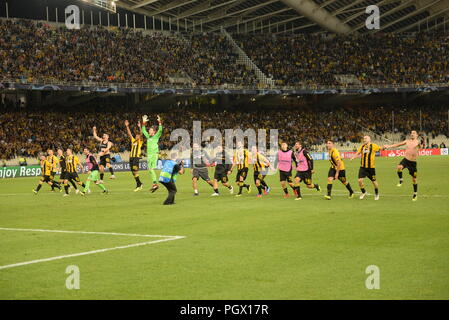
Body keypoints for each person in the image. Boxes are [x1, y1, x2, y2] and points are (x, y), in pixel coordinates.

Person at [383, 130, 420, 201]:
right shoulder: (407, 141)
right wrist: (388, 146)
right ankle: (401, 180)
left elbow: (421, 146)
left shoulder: (417, 142)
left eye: (414, 133)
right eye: (411, 133)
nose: (412, 134)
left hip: (413, 163)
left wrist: (420, 145)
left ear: (417, 135)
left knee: (414, 179)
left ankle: (415, 194)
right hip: (406, 160)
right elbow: (397, 145)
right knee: (399, 167)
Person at [350, 136, 383, 200]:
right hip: (363, 167)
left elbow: (380, 148)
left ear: (369, 139)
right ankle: (363, 192)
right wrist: (353, 157)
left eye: (366, 138)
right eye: (364, 139)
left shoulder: (374, 146)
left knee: (374, 182)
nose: (364, 140)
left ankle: (376, 194)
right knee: (360, 180)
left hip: (371, 168)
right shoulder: (362, 146)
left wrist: (384, 147)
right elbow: (358, 153)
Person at [141, 115, 163, 193]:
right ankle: (154, 184)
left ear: (154, 132)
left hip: (154, 155)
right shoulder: (148, 137)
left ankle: (155, 184)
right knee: (150, 170)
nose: (149, 131)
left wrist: (159, 122)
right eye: (149, 130)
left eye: (150, 130)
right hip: (149, 155)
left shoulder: (156, 136)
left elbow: (160, 130)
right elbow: (143, 130)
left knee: (151, 169)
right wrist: (143, 122)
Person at [125, 120, 144, 192]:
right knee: (133, 172)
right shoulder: (133, 140)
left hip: (136, 157)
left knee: (135, 171)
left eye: (138, 135)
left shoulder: (140, 141)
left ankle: (138, 185)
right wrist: (127, 126)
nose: (137, 136)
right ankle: (139, 184)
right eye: (136, 135)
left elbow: (142, 134)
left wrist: (140, 127)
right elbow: (129, 134)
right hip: (131, 158)